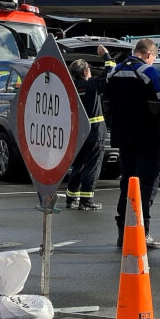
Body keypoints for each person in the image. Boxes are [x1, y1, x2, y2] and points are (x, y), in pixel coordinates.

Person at [104, 39, 160, 250]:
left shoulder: (115, 72)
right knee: (147, 185)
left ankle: (123, 231)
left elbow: (106, 101)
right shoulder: (148, 72)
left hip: (123, 138)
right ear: (149, 54)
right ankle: (143, 231)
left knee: (127, 184)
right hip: (147, 137)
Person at [65, 55, 112, 211]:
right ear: (85, 72)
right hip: (95, 133)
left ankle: (71, 198)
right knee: (92, 167)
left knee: (78, 165)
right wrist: (106, 56)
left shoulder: (71, 89)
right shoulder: (92, 85)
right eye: (89, 69)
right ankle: (86, 200)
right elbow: (109, 72)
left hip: (78, 134)